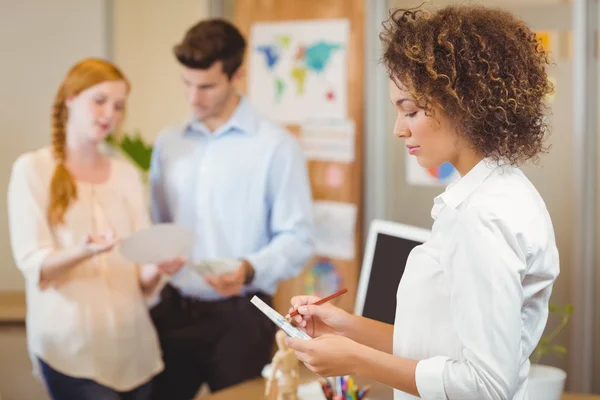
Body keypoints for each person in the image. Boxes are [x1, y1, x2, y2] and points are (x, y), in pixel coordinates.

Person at [285, 5, 559, 400]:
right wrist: (346, 328)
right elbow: (439, 347)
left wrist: (355, 360)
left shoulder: (482, 215)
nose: (399, 129)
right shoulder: (498, 191)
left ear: (464, 103)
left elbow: (486, 385)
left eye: (410, 111)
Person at [148, 18, 315, 399]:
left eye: (206, 86)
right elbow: (159, 224)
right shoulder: (168, 143)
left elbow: (299, 238)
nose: (193, 97)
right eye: (187, 83)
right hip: (173, 311)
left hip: (242, 316)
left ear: (237, 74)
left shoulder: (276, 146)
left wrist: (249, 267)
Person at [7, 58, 185, 400]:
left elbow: (142, 280)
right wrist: (85, 251)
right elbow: (34, 264)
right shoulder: (33, 170)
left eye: (119, 106)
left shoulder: (125, 175)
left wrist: (158, 267)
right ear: (70, 98)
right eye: (99, 100)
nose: (110, 114)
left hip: (133, 347)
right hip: (70, 349)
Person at [265, 330, 300, 400]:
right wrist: (297, 379)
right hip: (292, 379)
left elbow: (272, 374)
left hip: (283, 381)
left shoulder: (278, 356)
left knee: (281, 396)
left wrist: (269, 386)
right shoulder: (293, 352)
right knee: (293, 396)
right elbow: (296, 369)